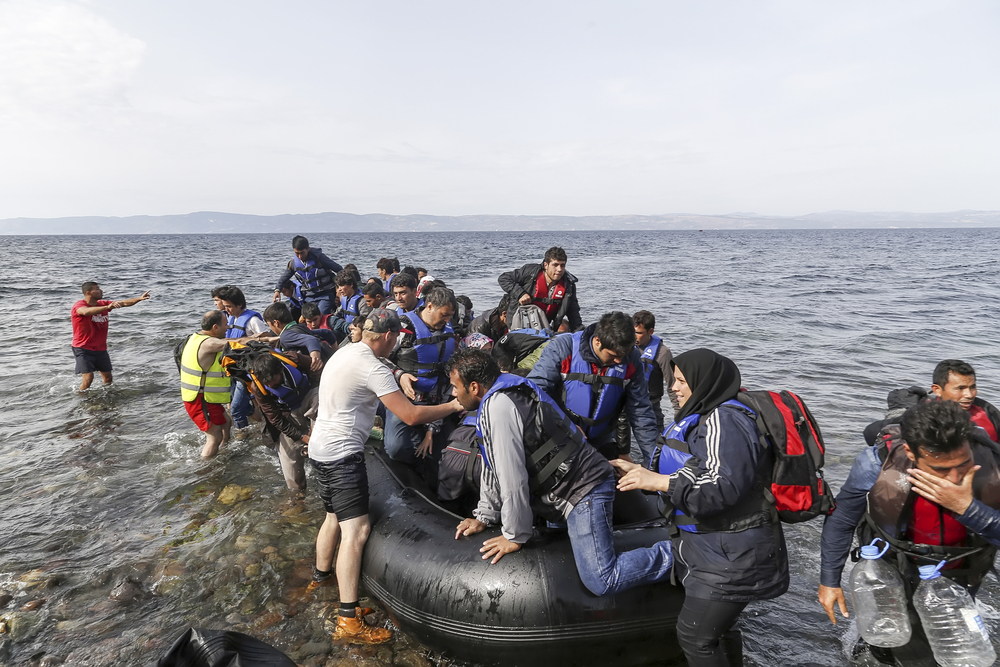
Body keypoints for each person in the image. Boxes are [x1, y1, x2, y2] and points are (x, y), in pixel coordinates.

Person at [611, 348, 789, 667]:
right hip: (715, 549)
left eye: (681, 381)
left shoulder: (726, 419)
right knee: (719, 632)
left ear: (703, 381)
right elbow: (698, 469)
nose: (674, 388)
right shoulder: (707, 416)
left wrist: (660, 483)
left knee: (696, 638)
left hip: (731, 556)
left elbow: (722, 488)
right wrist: (642, 471)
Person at [450, 349, 673, 594]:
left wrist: (514, 535)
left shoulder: (499, 406)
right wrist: (484, 516)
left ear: (473, 387)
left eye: (455, 386)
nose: (453, 393)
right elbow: (493, 465)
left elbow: (511, 476)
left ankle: (682, 555)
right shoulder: (499, 395)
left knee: (601, 578)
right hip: (560, 490)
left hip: (584, 488)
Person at [306, 309, 463, 643]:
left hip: (319, 448)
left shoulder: (346, 351)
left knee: (332, 516)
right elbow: (410, 415)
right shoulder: (373, 367)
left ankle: (319, 579)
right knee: (357, 531)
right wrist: (453, 407)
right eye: (396, 339)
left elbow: (375, 375)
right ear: (390, 336)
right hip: (341, 455)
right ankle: (348, 620)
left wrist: (396, 374)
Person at [817, 400, 1000, 665]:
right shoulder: (875, 462)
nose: (952, 478)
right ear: (910, 452)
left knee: (936, 644)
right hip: (893, 563)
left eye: (962, 464)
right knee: (891, 630)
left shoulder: (994, 466)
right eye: (939, 469)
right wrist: (829, 581)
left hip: (959, 567)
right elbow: (843, 518)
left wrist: (967, 508)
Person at [528, 312, 659, 465]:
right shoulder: (563, 348)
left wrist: (653, 462)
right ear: (597, 341)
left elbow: (641, 411)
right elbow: (534, 393)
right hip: (561, 434)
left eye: (624, 355)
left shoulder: (632, 359)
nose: (618, 361)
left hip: (601, 438)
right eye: (612, 355)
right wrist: (564, 424)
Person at [384, 287, 458, 464]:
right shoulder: (404, 326)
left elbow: (449, 376)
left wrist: (432, 428)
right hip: (405, 399)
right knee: (396, 449)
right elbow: (378, 358)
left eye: (450, 316)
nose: (447, 320)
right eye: (444, 315)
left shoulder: (448, 331)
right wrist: (399, 374)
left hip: (436, 400)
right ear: (430, 306)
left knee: (447, 455)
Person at [179, 310, 262, 458]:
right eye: (225, 325)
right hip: (197, 399)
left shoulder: (196, 337)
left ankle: (222, 453)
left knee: (226, 423)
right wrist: (261, 340)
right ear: (215, 327)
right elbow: (233, 343)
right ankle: (206, 468)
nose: (228, 327)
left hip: (205, 397)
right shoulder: (209, 343)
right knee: (214, 436)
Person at [247, 350, 319, 491]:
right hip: (286, 412)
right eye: (266, 382)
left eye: (273, 380)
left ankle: (318, 438)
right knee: (290, 463)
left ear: (280, 370)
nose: (271, 384)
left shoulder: (293, 359)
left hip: (308, 397)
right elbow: (276, 420)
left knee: (321, 398)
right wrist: (303, 438)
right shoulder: (258, 387)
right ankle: (298, 496)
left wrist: (317, 360)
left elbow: (318, 367)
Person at [71, 281, 151, 391]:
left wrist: (139, 299)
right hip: (83, 348)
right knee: (88, 378)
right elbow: (85, 312)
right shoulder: (80, 305)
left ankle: (107, 398)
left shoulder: (103, 303)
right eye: (97, 289)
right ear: (88, 293)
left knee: (108, 378)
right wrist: (107, 307)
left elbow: (124, 303)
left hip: (100, 348)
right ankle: (82, 400)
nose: (101, 290)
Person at [498, 246, 582, 333]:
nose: (559, 269)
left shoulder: (569, 285)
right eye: (555, 265)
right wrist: (520, 294)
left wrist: (580, 333)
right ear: (546, 265)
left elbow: (573, 313)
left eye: (562, 265)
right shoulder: (531, 272)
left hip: (543, 330)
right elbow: (504, 278)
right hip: (518, 327)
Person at [219, 286, 268, 431]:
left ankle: (242, 438)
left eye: (229, 306)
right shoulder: (231, 318)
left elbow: (266, 339)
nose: (226, 309)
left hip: (248, 371)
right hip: (234, 369)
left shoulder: (252, 320)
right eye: (225, 306)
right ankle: (263, 425)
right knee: (243, 406)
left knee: (235, 409)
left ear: (239, 304)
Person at [930, 359, 1000, 441]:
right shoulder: (925, 419)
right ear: (937, 390)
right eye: (960, 388)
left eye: (972, 387)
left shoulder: (988, 412)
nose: (969, 395)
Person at [633, 310, 680, 431]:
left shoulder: (663, 353)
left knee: (657, 442)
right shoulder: (627, 346)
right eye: (632, 331)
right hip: (627, 401)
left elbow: (672, 384)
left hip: (650, 405)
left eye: (638, 333)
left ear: (651, 332)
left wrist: (678, 411)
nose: (634, 336)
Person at [272, 235, 343, 315]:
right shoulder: (293, 264)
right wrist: (277, 290)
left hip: (326, 295)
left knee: (319, 317)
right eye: (297, 253)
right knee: (308, 318)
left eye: (302, 253)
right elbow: (284, 277)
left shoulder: (319, 258)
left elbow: (339, 269)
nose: (300, 256)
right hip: (309, 297)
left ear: (308, 249)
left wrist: (340, 288)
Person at [263, 302, 337, 372]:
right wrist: (335, 350)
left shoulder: (285, 336)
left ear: (276, 323)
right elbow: (327, 333)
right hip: (333, 361)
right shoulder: (301, 327)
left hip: (325, 371)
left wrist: (316, 359)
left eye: (269, 325)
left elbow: (311, 339)